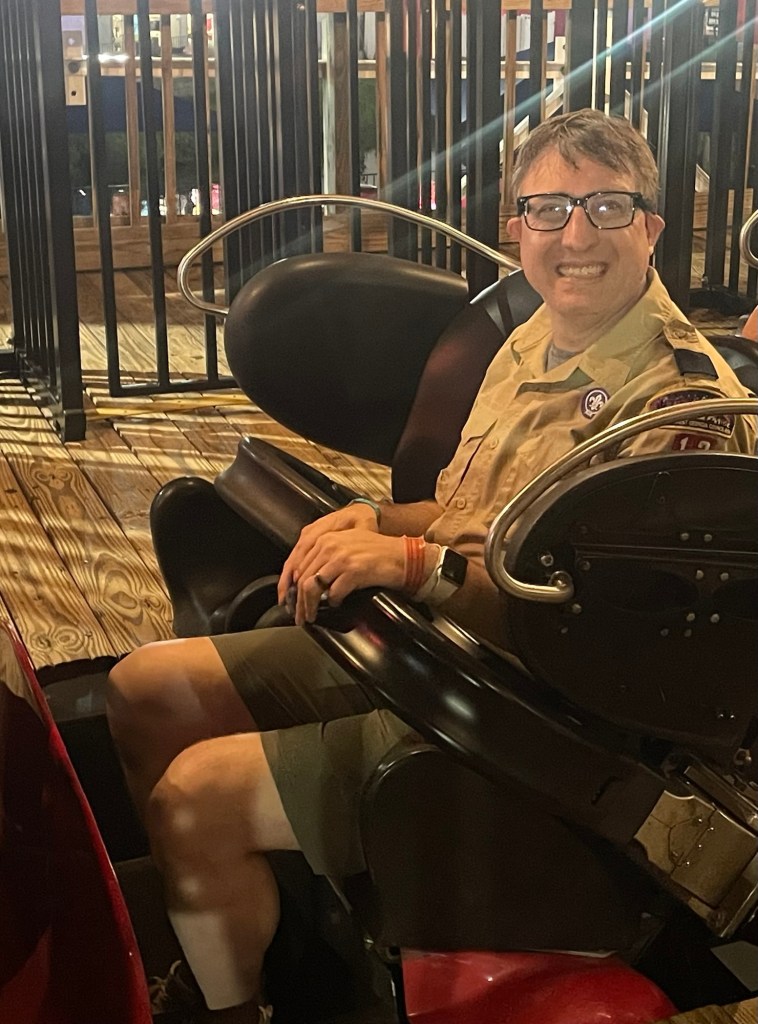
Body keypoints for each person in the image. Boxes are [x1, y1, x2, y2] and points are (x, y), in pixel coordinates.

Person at [106, 108, 756, 1024]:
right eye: (548, 209)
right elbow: (465, 515)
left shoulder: (679, 413)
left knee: (191, 800)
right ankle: (248, 926)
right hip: (436, 659)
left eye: (607, 208)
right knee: (141, 691)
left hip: (533, 725)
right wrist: (375, 517)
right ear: (516, 226)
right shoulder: (529, 338)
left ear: (650, 225)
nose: (575, 234)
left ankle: (229, 1004)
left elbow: (592, 638)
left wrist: (415, 566)